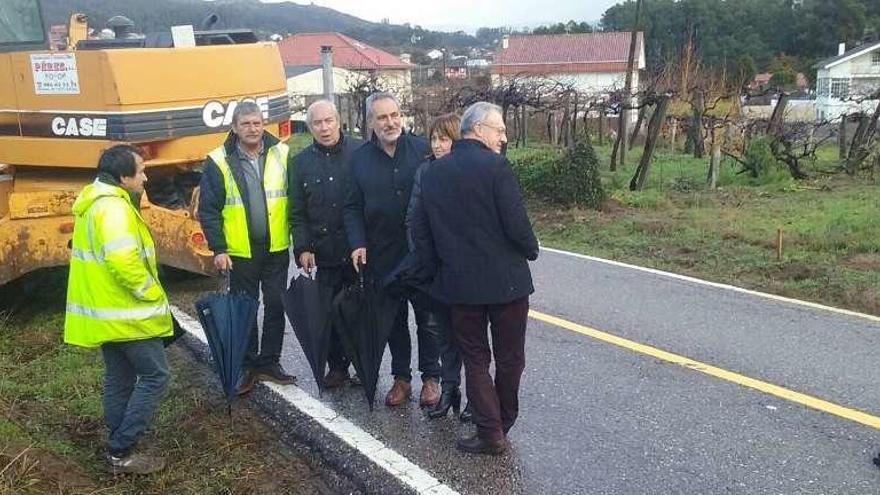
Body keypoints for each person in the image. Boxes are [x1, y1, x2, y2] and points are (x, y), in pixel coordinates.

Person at [411, 102, 539, 455]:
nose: (504, 137)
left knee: (475, 358)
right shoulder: (497, 167)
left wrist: (434, 269)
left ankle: (491, 431)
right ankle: (504, 419)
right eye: (499, 130)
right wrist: (531, 249)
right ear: (479, 129)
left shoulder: (433, 173)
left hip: (459, 285)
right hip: (507, 284)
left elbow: (421, 231)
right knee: (511, 357)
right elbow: (517, 224)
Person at [64, 145, 172, 474]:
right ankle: (121, 447)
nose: (145, 175)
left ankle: (118, 445)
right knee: (156, 375)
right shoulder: (113, 209)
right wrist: (151, 292)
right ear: (123, 178)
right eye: (140, 170)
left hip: (106, 313)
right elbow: (123, 261)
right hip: (127, 314)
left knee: (120, 378)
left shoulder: (94, 202)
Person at [344, 92, 441, 408]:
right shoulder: (358, 159)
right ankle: (402, 379)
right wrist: (357, 242)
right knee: (393, 321)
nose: (391, 122)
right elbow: (352, 206)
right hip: (382, 254)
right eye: (383, 117)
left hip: (422, 254)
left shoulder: (424, 150)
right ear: (371, 122)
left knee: (427, 318)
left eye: (395, 114)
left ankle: (431, 378)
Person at [198, 101, 295, 394]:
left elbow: (296, 198)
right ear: (235, 128)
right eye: (245, 124)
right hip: (241, 250)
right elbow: (209, 210)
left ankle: (270, 362)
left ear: (263, 123)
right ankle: (247, 364)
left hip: (276, 246)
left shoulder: (282, 153)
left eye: (256, 123)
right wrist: (219, 249)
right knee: (246, 307)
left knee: (277, 304)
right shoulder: (218, 160)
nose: (252, 129)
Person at [289, 99, 363, 388]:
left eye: (328, 121)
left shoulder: (360, 152)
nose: (324, 127)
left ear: (338, 121)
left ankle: (362, 364)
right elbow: (297, 212)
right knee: (329, 312)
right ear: (310, 128)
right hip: (326, 251)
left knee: (360, 310)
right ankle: (337, 366)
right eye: (317, 123)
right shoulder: (300, 163)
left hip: (358, 250)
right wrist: (303, 248)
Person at [404, 113, 471, 421]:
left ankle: (476, 397)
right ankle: (448, 389)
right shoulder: (425, 171)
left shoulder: (470, 171)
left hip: (467, 268)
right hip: (435, 267)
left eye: (444, 138)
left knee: (471, 337)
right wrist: (425, 259)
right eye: (434, 138)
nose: (438, 144)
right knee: (442, 332)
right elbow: (414, 219)